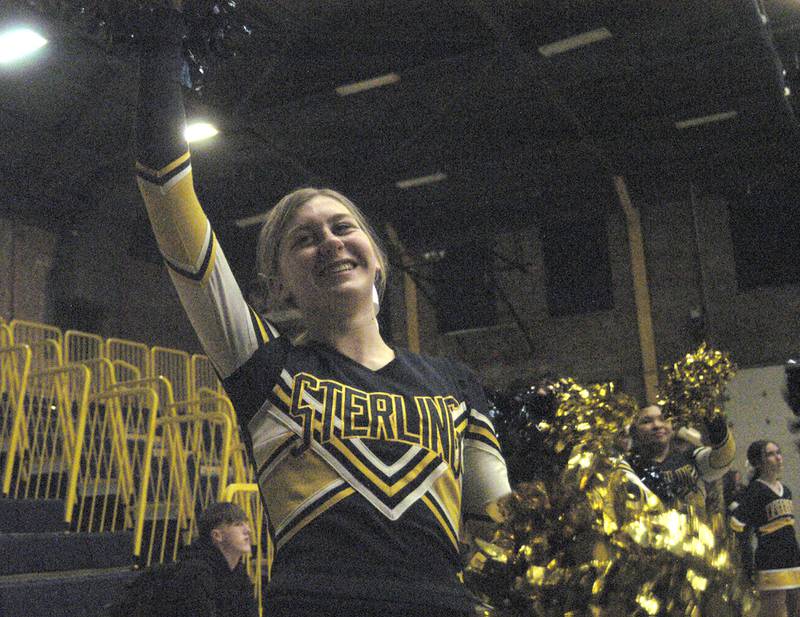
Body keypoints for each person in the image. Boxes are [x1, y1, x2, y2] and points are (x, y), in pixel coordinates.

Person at [133, 4, 511, 616]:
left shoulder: (456, 384)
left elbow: (504, 533)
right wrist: (163, 33)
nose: (331, 242)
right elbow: (166, 193)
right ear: (278, 285)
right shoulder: (263, 366)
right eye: (304, 239)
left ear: (378, 259)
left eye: (343, 227)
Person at [731, 441, 800, 617]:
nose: (777, 457)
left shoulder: (786, 491)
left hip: (793, 558)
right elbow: (736, 524)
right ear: (758, 462)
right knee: (776, 611)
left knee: (795, 610)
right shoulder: (755, 491)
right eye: (770, 454)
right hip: (770, 560)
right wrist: (743, 556)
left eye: (778, 452)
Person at [628, 404, 735, 515]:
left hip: (696, 530)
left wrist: (714, 421)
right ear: (635, 431)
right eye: (646, 421)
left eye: (664, 419)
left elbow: (722, 458)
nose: (657, 425)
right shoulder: (627, 468)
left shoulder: (691, 457)